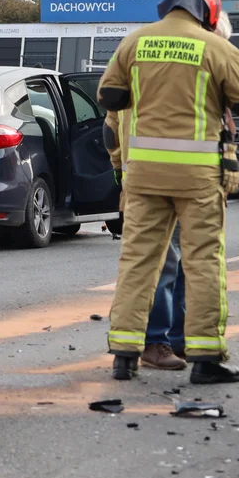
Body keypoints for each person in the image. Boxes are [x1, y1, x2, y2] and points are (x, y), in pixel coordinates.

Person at [97, 0, 239, 384]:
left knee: (138, 262)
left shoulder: (135, 42)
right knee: (204, 262)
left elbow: (109, 98)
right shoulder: (215, 47)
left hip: (144, 176)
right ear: (209, 10)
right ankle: (206, 360)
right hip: (197, 178)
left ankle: (124, 356)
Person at [104, 109, 187, 371]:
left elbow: (110, 130)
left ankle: (146, 346)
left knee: (146, 264)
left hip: (140, 183)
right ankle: (160, 341)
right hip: (181, 182)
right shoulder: (185, 71)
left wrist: (118, 166)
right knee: (174, 261)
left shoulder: (128, 69)